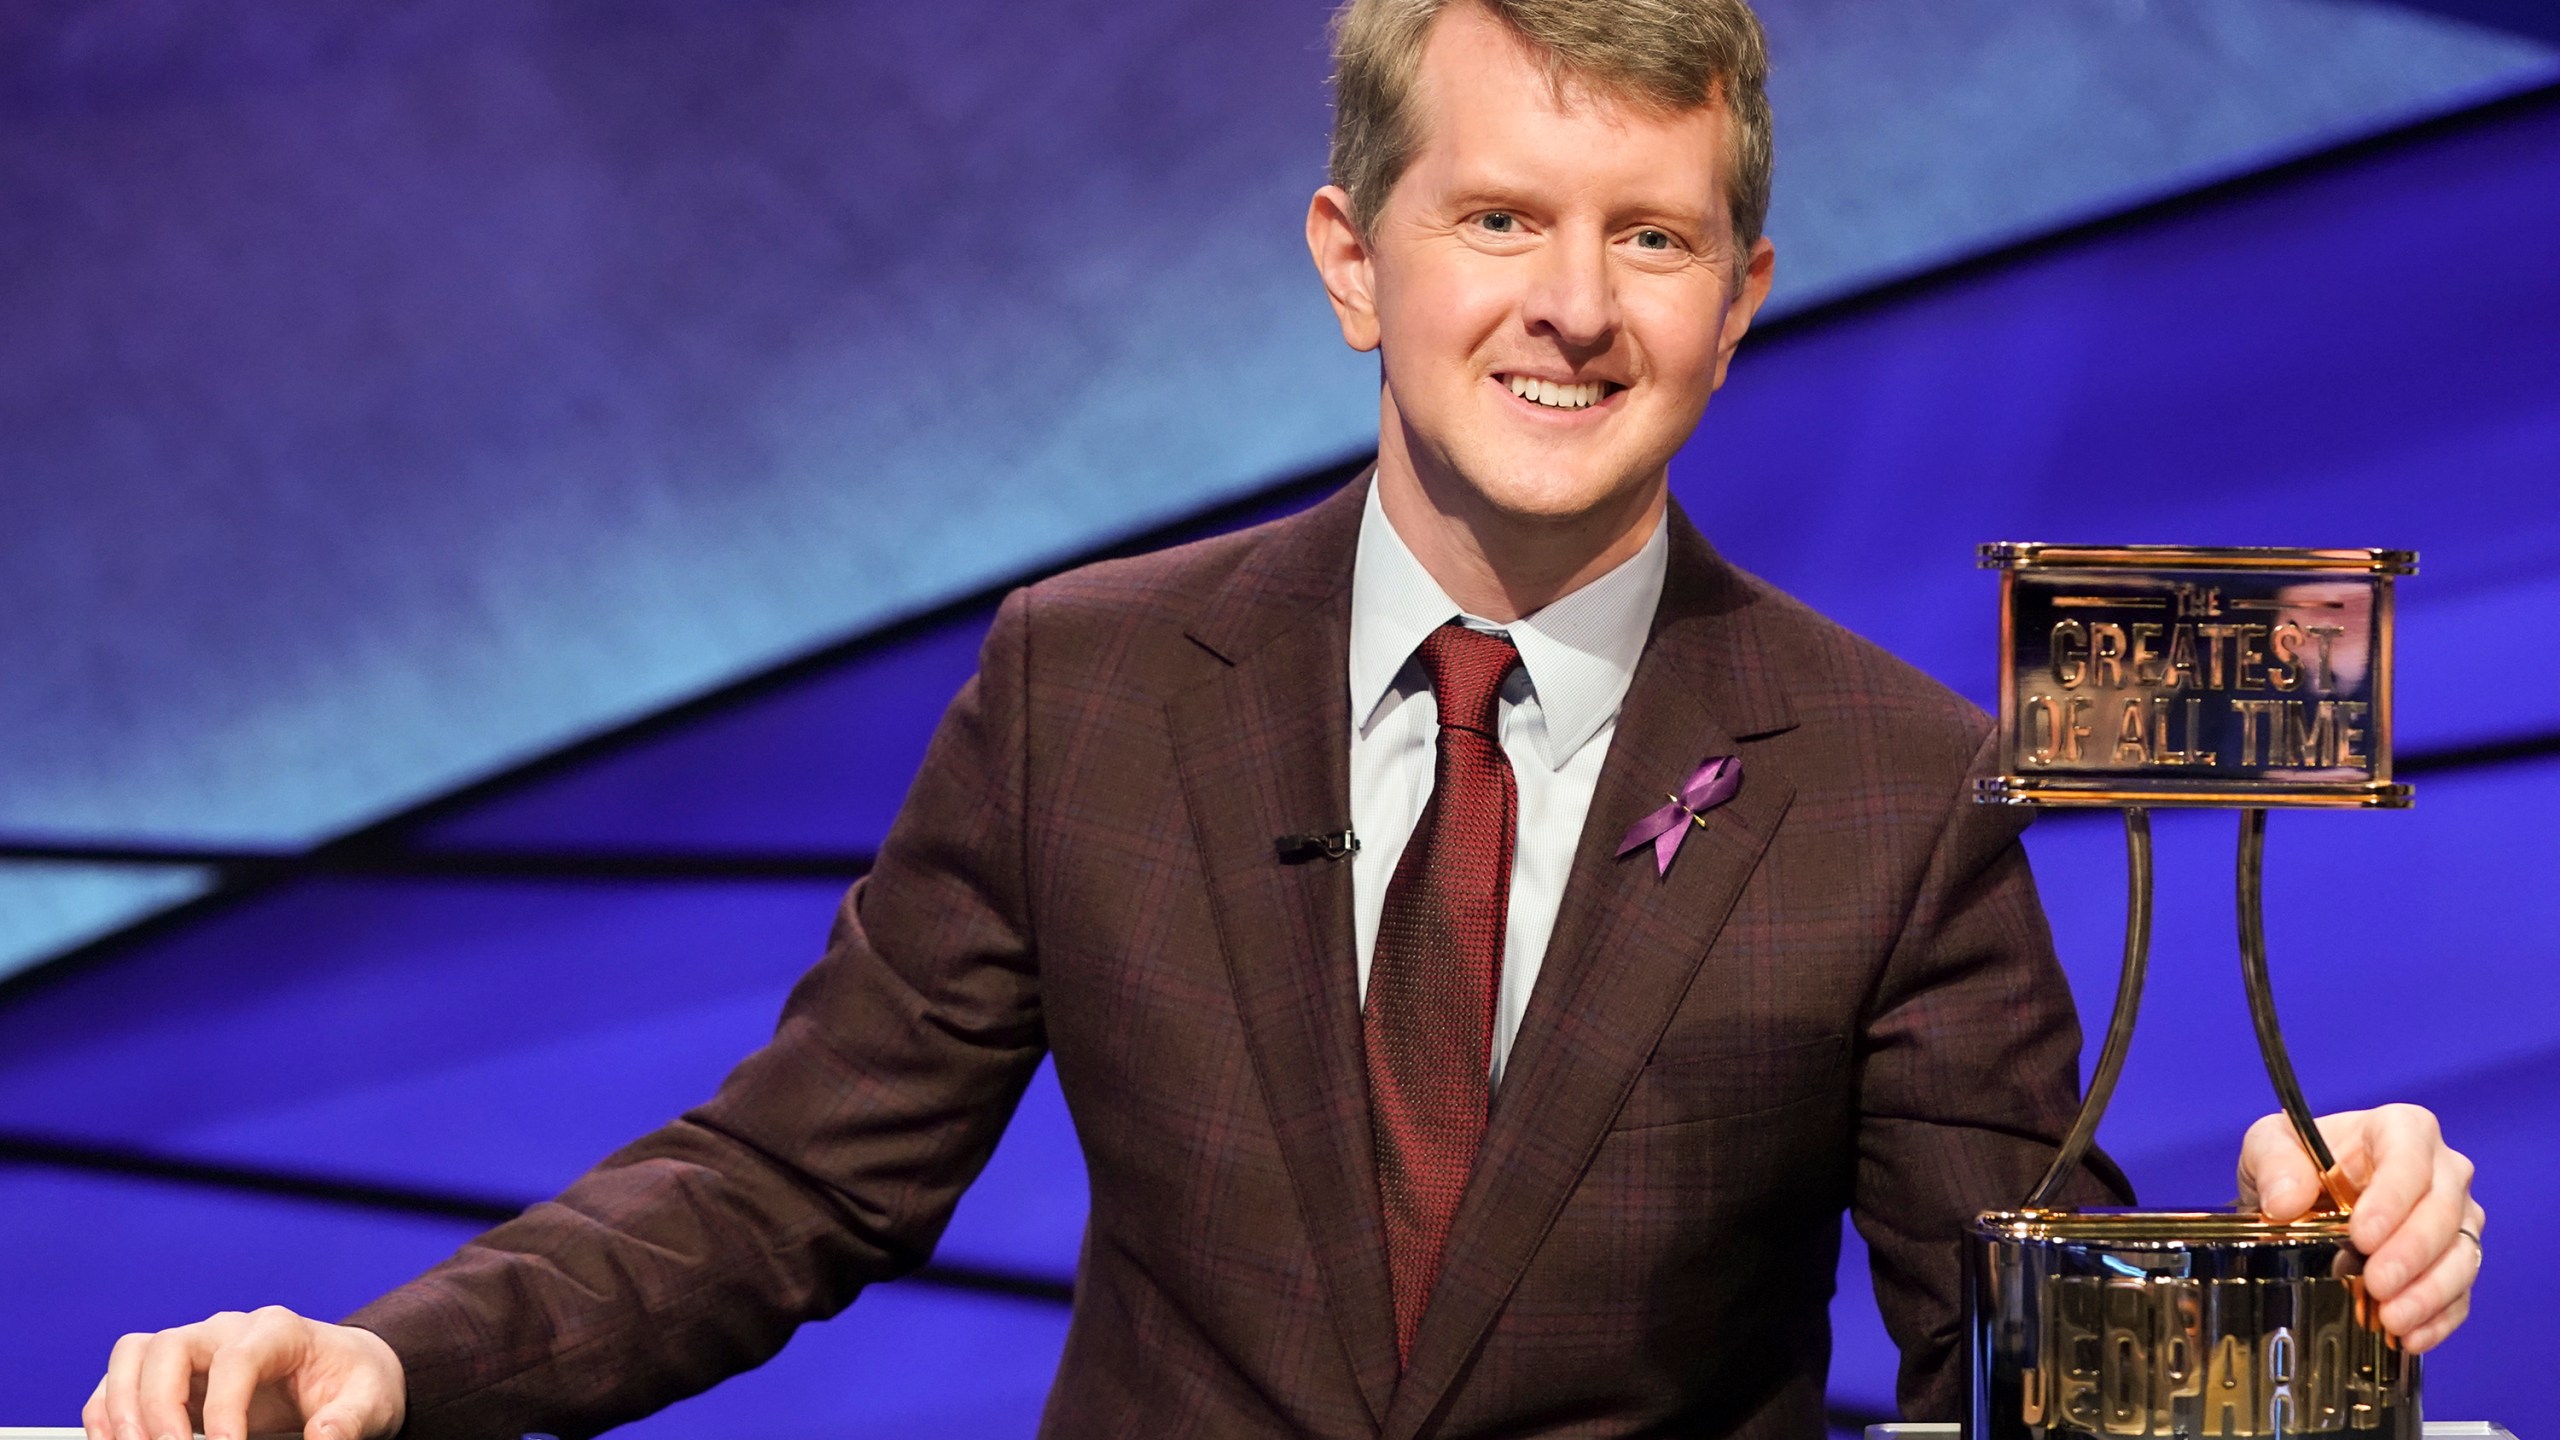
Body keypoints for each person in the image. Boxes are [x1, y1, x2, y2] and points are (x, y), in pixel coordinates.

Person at [86, 2, 2484, 1437]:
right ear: (1351, 261)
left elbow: (2005, 1318)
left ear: (1740, 301)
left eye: (1645, 237)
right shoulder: (1085, 684)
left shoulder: (1877, 776)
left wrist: (2276, 1282)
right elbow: (790, 1184)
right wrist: (395, 1365)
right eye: (1496, 220)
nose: (1570, 307)